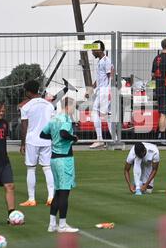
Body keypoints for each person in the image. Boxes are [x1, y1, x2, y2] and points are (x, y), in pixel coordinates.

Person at [40, 97, 79, 233]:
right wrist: (73, 138)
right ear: (68, 106)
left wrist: (54, 139)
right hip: (64, 159)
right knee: (64, 192)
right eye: (74, 107)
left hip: (54, 159)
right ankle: (62, 225)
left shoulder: (54, 119)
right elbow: (63, 133)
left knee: (57, 192)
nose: (74, 110)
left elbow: (42, 134)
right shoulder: (66, 119)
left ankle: (52, 224)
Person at [19, 80, 55, 207]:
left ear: (28, 91)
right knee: (47, 168)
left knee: (31, 168)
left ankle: (31, 199)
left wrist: (22, 143)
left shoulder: (26, 107)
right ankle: (51, 197)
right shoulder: (49, 105)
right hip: (47, 140)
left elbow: (24, 126)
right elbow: (52, 124)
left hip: (32, 140)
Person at [88, 40, 114, 149]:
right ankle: (113, 139)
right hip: (101, 90)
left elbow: (111, 76)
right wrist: (91, 88)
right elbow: (100, 78)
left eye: (93, 50)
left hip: (105, 91)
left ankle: (100, 139)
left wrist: (109, 91)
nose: (92, 52)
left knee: (95, 112)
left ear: (99, 50)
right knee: (107, 115)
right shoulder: (100, 61)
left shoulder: (106, 61)